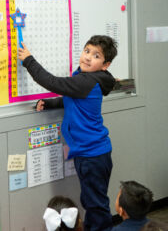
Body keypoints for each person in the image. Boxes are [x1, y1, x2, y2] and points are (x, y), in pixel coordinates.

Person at [18, 35, 118, 231]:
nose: (88, 57)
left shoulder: (88, 81)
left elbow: (52, 82)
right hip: (91, 153)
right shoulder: (84, 78)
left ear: (105, 65)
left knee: (96, 206)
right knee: (92, 202)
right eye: (87, 51)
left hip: (92, 155)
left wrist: (29, 60)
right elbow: (72, 99)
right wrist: (50, 103)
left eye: (96, 55)